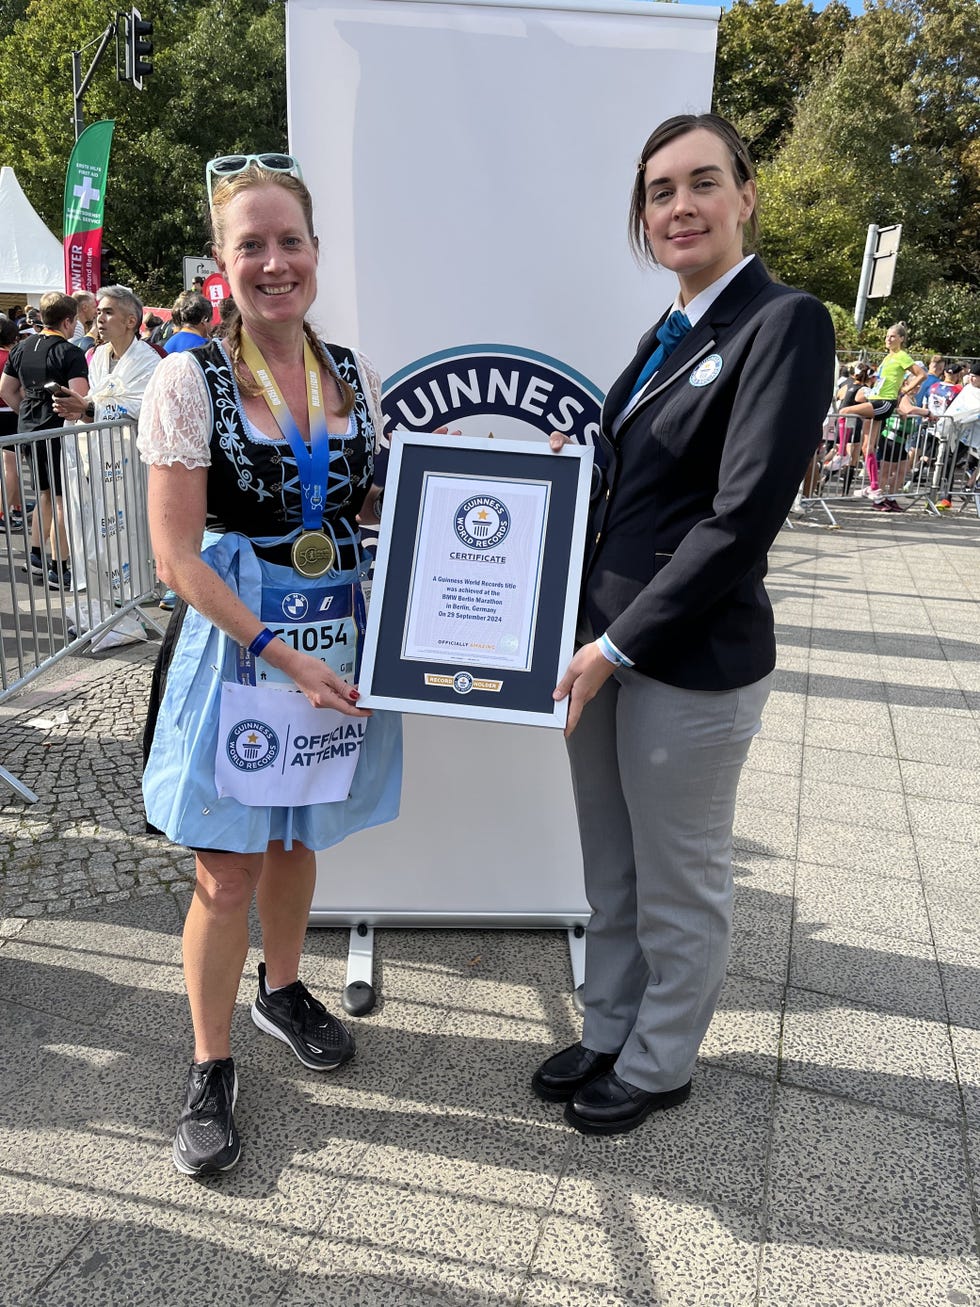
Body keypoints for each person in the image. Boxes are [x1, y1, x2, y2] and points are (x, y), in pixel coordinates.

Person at [535, 113, 834, 1137]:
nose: (678, 206)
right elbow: (628, 494)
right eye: (658, 191)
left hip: (683, 659)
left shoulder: (781, 321)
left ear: (744, 194)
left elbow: (741, 516)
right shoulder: (669, 331)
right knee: (609, 867)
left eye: (700, 182)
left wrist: (616, 644)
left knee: (680, 877)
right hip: (601, 652)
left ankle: (660, 1059)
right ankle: (609, 1024)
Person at [135, 154, 401, 1177]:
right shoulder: (188, 377)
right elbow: (175, 554)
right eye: (251, 244)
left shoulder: (353, 374)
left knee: (296, 838)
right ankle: (210, 1065)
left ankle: (281, 987)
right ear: (221, 262)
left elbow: (362, 507)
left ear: (317, 256)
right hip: (245, 649)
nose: (273, 261)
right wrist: (275, 649)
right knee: (226, 864)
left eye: (289, 240)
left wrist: (496, 495)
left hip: (335, 640)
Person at [0, 291, 89, 589]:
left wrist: (24, 412)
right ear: (68, 321)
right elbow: (80, 399)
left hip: (27, 430)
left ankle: (38, 556)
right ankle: (59, 566)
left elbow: (6, 389)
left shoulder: (21, 348)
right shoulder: (70, 352)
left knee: (45, 494)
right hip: (58, 431)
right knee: (61, 498)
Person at [839, 322, 925, 512]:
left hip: (884, 403)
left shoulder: (902, 356)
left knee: (844, 411)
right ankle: (875, 488)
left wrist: (905, 390)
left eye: (893, 336)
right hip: (877, 399)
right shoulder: (888, 357)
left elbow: (921, 375)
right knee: (867, 447)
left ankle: (841, 455)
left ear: (901, 339)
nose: (888, 339)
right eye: (887, 336)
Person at [53, 285, 160, 426]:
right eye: (98, 312)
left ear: (131, 321)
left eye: (108, 312)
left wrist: (89, 409)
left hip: (130, 445)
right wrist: (79, 412)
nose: (100, 319)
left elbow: (143, 409)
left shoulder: (150, 361)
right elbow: (94, 409)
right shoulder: (98, 355)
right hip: (98, 444)